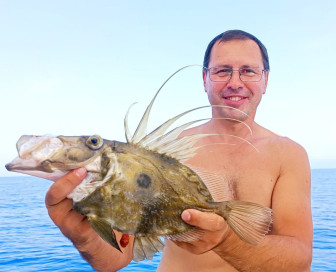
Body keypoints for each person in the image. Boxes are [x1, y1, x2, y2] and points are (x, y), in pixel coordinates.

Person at [45, 30, 313, 271]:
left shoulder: (288, 154)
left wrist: (225, 241)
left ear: (265, 80)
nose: (235, 82)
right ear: (205, 79)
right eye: (222, 71)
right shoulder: (166, 151)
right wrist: (84, 237)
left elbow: (299, 259)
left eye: (248, 71)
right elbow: (117, 257)